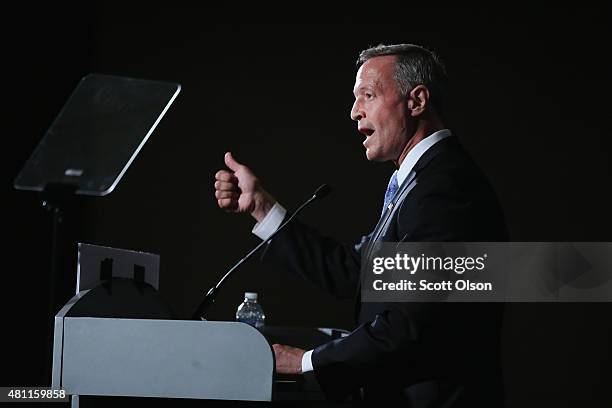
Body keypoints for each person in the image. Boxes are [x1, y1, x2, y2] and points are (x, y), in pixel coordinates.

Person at [214, 44, 507, 405]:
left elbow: (413, 320)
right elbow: (351, 272)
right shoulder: (419, 182)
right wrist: (261, 206)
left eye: (367, 95)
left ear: (416, 102)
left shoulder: (446, 188)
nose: (354, 112)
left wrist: (307, 361)